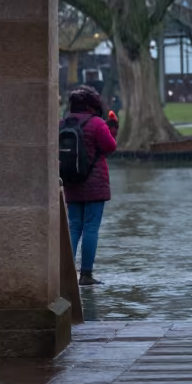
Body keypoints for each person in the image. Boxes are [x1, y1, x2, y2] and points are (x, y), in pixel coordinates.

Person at [60, 86, 118, 286]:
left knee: (73, 227)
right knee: (91, 228)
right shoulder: (97, 123)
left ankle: (64, 273)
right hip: (94, 185)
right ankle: (86, 275)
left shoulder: (63, 123)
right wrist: (113, 129)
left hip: (71, 182)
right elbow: (110, 147)